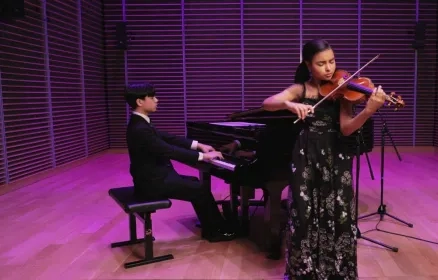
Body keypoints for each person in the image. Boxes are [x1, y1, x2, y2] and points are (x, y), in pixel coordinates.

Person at [262, 39, 388, 279]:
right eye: (321, 63)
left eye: (332, 61)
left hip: (335, 156)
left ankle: (336, 272)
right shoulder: (302, 89)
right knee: (304, 213)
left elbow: (347, 129)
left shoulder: (341, 92)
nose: (329, 68)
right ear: (309, 65)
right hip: (305, 157)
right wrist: (289, 104)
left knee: (338, 214)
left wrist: (368, 110)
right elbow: (268, 103)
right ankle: (305, 272)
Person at [124, 82, 236, 243]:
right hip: (152, 182)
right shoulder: (140, 129)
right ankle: (215, 232)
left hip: (152, 176)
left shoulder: (140, 122)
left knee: (195, 183)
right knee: (200, 190)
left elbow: (169, 138)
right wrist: (203, 157)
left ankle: (209, 223)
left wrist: (199, 145)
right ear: (140, 102)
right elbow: (168, 150)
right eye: (152, 97)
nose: (157, 100)